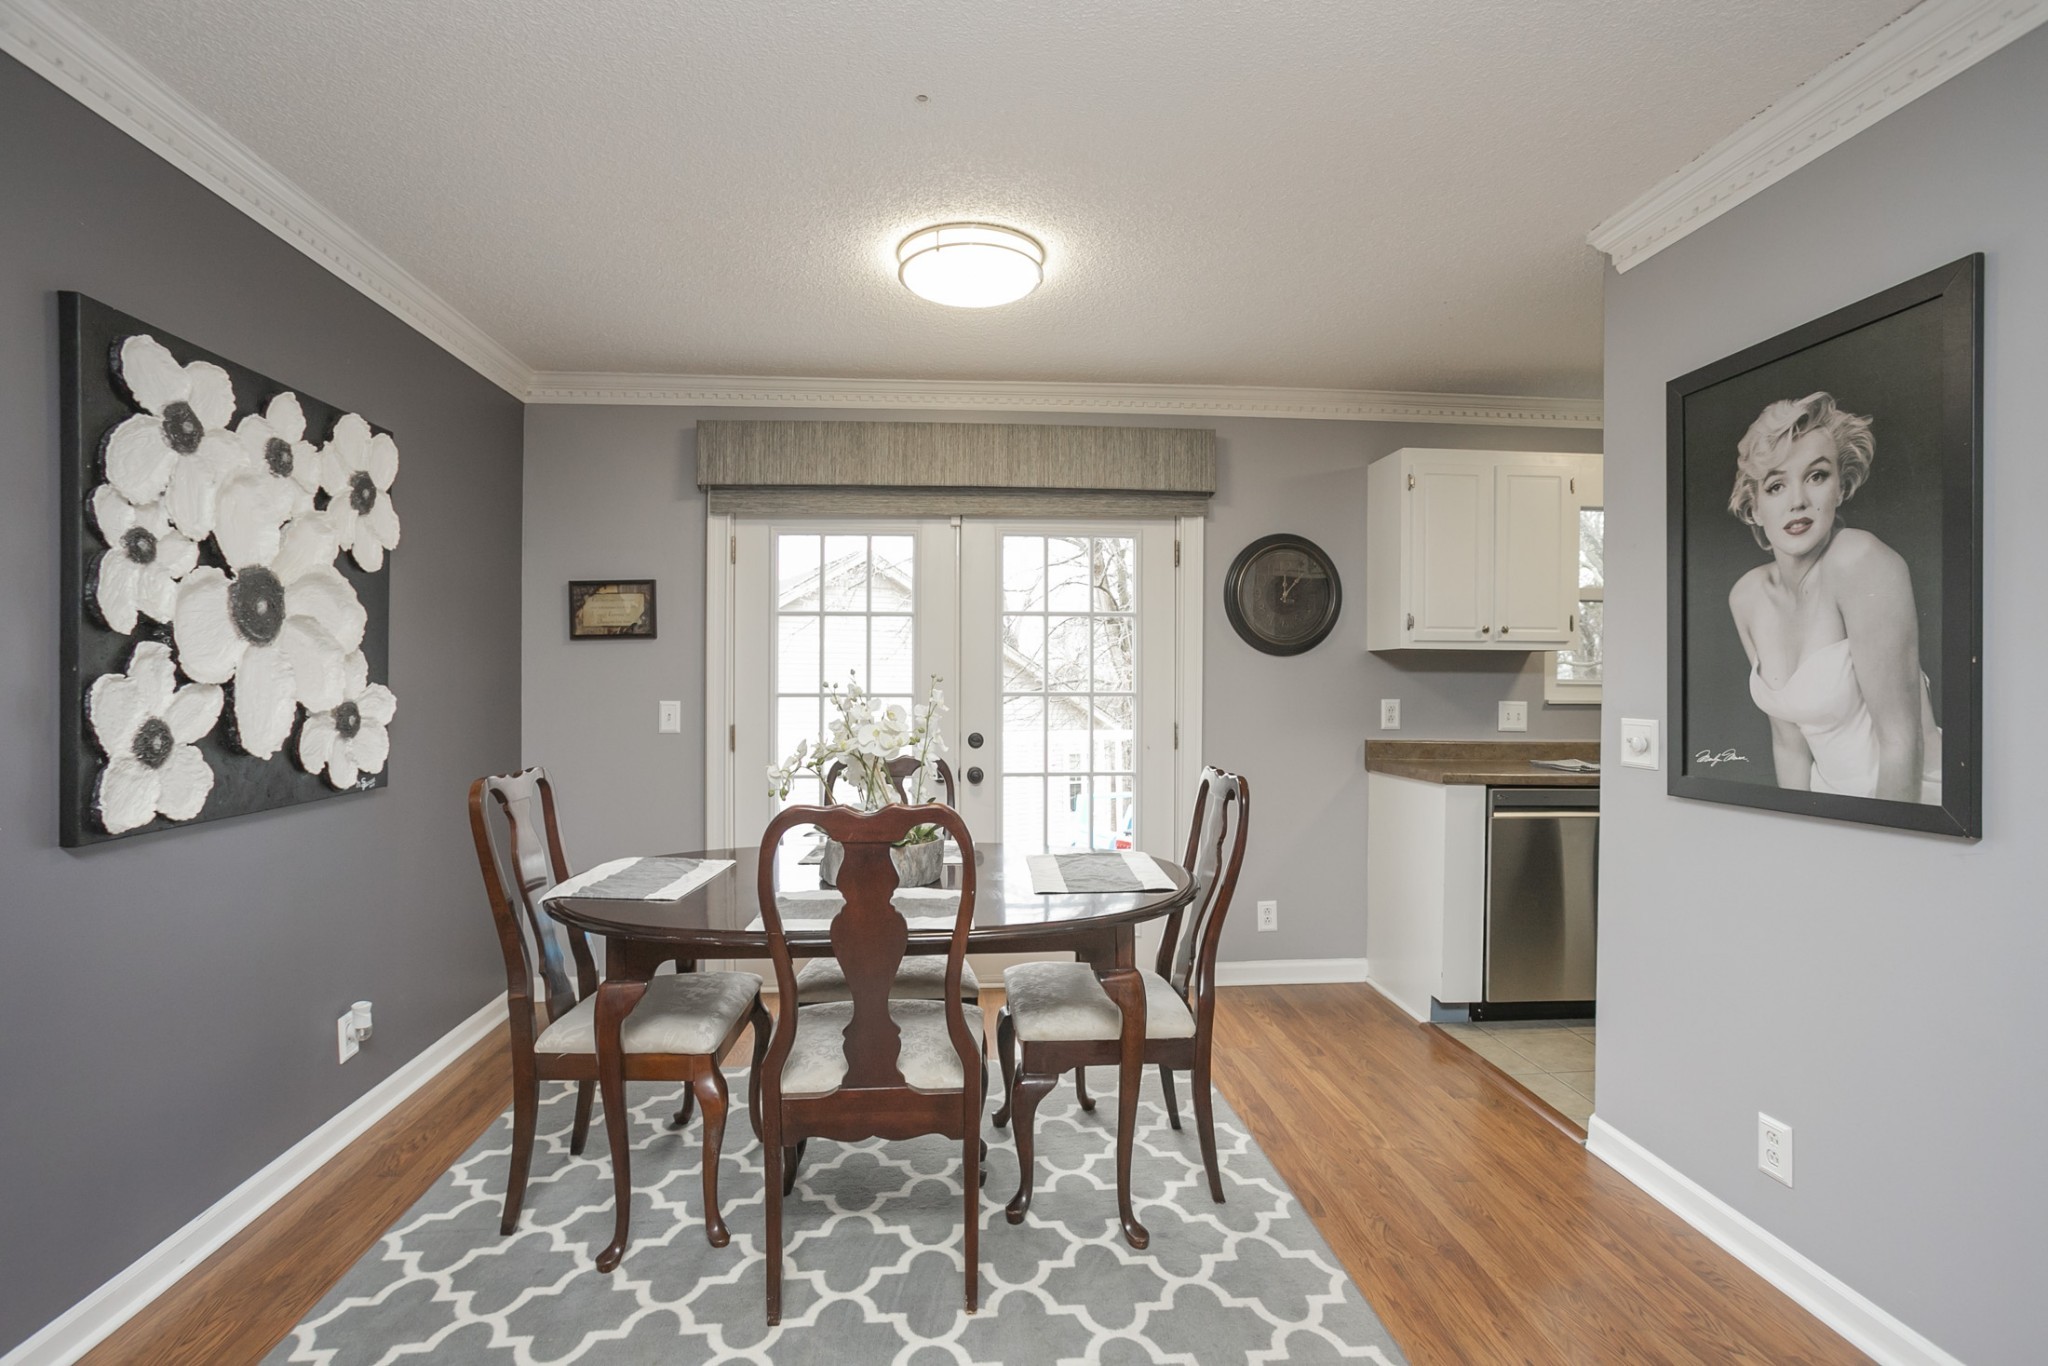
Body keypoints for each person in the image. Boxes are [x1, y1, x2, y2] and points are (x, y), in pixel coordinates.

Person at [1726, 392, 1941, 804]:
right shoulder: (1747, 596)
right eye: (1775, 486)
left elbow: (1901, 743)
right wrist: (1800, 836)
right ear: (1754, 508)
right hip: (1831, 805)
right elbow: (1789, 746)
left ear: (1841, 487)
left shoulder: (1859, 560)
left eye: (1817, 476)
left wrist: (1881, 849)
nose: (1798, 501)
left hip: (1909, 803)